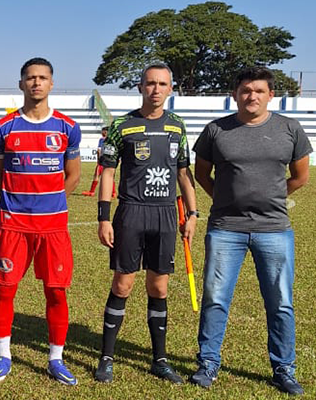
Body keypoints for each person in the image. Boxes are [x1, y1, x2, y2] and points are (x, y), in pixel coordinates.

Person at [190, 66, 310, 396]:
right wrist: (224, 200)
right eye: (245, 90)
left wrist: (273, 197)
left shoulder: (290, 128)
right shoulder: (216, 130)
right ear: (235, 94)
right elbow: (202, 174)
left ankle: (284, 369)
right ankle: (208, 363)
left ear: (271, 95)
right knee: (215, 299)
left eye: (258, 90)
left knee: (281, 302)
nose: (251, 96)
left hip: (274, 230)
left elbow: (300, 176)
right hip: (225, 229)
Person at [93, 63, 196, 384]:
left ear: (170, 89)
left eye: (162, 84)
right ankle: (106, 358)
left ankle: (160, 360)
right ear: (140, 87)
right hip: (132, 213)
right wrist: (104, 217)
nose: (156, 89)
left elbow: (184, 174)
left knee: (159, 286)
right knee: (122, 284)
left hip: (165, 214)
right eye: (150, 83)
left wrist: (193, 214)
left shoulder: (177, 126)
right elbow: (108, 172)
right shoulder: (122, 125)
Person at [0, 57, 81, 385]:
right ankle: (3, 355)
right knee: (4, 289)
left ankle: (56, 359)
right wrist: (18, 202)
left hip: (53, 227)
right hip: (13, 226)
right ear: (21, 83)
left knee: (56, 293)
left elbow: (73, 176)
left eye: (42, 78)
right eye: (30, 77)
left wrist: (50, 202)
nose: (36, 83)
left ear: (51, 83)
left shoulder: (67, 127)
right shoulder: (4, 127)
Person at [81, 127, 115, 197]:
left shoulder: (102, 140)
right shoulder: (113, 140)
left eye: (103, 131)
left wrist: (98, 160)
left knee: (96, 175)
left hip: (103, 159)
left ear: (106, 132)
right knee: (110, 175)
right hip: (111, 160)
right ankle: (113, 193)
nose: (102, 133)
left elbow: (99, 150)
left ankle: (92, 192)